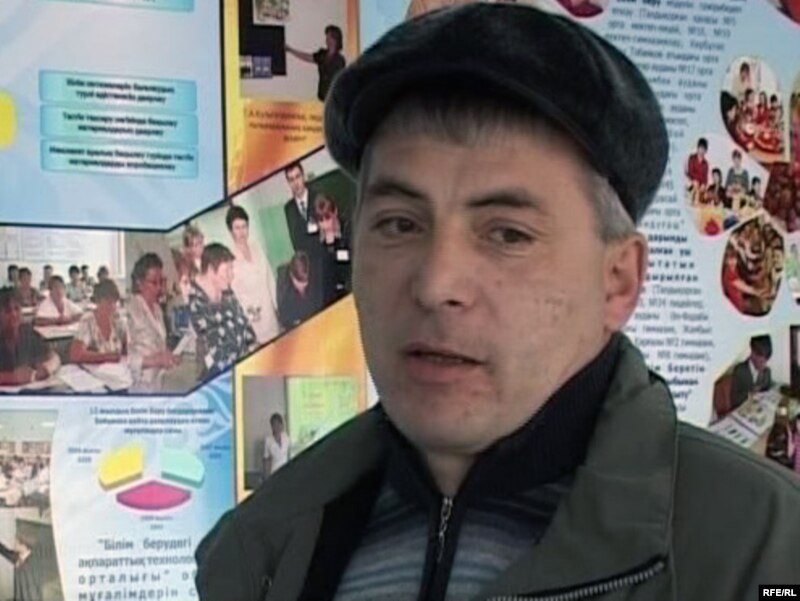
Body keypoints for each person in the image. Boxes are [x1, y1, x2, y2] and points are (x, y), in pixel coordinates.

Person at [195, 5, 800, 601]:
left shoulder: (767, 550)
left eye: (507, 234)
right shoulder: (266, 548)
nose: (436, 284)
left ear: (617, 282)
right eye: (400, 224)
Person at [188, 243, 257, 379]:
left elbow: (245, 326)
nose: (231, 276)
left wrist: (254, 346)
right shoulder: (197, 304)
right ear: (210, 270)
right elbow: (219, 352)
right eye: (226, 270)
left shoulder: (226, 291)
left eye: (232, 269)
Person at [226, 205, 280, 344]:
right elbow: (235, 295)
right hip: (252, 320)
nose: (242, 232)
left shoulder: (257, 247)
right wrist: (249, 314)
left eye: (244, 226)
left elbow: (269, 279)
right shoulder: (229, 259)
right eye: (237, 228)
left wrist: (278, 305)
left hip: (270, 313)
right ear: (231, 231)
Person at [127, 253, 181, 392]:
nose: (159, 288)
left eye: (161, 282)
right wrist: (152, 361)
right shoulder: (129, 310)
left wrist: (168, 355)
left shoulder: (157, 309)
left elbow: (157, 343)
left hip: (156, 383)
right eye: (154, 282)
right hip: (137, 386)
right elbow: (119, 359)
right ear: (139, 283)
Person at [0, 287, 60, 386]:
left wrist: (47, 368)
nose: (14, 314)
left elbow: (54, 357)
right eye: (7, 311)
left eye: (17, 308)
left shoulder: (27, 332)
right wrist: (11, 377)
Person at [69, 280, 128, 364]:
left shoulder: (119, 321)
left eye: (114, 302)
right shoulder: (88, 321)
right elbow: (76, 355)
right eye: (108, 301)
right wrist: (106, 357)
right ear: (97, 301)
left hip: (117, 369)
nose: (112, 306)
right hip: (92, 370)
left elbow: (131, 346)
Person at [286, 25, 346, 102]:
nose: (327, 40)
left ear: (336, 39)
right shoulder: (322, 54)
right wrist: (291, 50)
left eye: (329, 37)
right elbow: (307, 57)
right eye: (327, 37)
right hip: (322, 97)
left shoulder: (340, 60)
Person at [276, 251, 325, 330]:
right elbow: (285, 320)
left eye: (306, 282)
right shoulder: (284, 290)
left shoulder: (314, 271)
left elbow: (319, 303)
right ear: (291, 275)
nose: (303, 286)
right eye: (299, 283)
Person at [729, 335, 773, 413]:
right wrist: (750, 394)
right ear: (753, 354)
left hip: (759, 411)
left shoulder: (767, 371)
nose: (764, 365)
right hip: (743, 412)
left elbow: (768, 390)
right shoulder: (740, 371)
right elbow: (734, 400)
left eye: (766, 361)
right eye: (761, 361)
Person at [283, 161, 320, 253]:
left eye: (298, 177)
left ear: (303, 177)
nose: (296, 183)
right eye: (291, 180)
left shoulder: (317, 197)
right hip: (305, 258)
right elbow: (295, 241)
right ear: (288, 183)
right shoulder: (289, 209)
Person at [263, 413, 290, 478]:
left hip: (286, 472)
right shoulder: (268, 440)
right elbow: (266, 460)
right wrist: (267, 476)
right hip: (274, 472)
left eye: (279, 424)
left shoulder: (286, 437)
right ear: (272, 426)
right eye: (275, 424)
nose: (277, 427)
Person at [685, 138, 708, 205]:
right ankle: (694, 200)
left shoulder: (705, 163)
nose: (701, 151)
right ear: (697, 148)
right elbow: (690, 172)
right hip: (691, 181)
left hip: (699, 185)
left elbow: (705, 177)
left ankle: (697, 202)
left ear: (705, 151)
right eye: (700, 148)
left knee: (704, 192)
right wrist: (695, 180)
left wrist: (704, 184)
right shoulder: (692, 158)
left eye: (703, 149)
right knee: (695, 185)